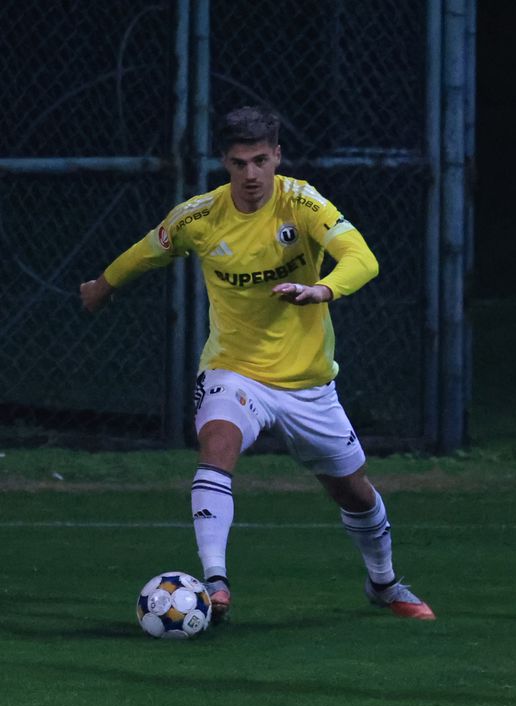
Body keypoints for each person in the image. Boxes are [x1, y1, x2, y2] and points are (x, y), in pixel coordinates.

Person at [79, 106, 434, 622]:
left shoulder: (302, 203)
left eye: (261, 161)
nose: (251, 174)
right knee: (217, 444)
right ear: (224, 161)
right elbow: (146, 251)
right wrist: (102, 285)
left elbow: (363, 258)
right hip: (234, 368)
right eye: (240, 162)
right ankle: (215, 583)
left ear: (277, 156)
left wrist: (323, 289)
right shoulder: (199, 217)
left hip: (308, 383)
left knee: (353, 492)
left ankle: (383, 583)